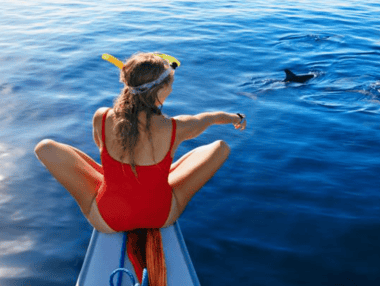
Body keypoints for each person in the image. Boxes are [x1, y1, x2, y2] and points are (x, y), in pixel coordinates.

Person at [34, 52, 247, 234]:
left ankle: (121, 178)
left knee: (45, 148)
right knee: (221, 147)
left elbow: (100, 145)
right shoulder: (177, 127)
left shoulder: (102, 116)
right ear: (161, 90)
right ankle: (155, 174)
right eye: (170, 84)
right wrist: (236, 117)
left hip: (107, 220)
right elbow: (210, 117)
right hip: (161, 216)